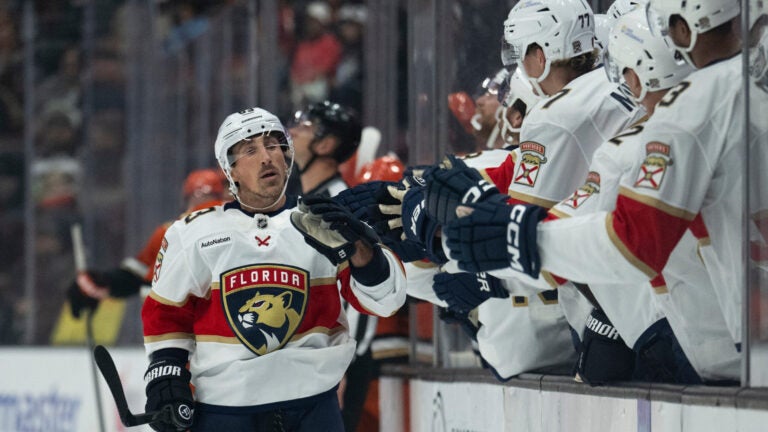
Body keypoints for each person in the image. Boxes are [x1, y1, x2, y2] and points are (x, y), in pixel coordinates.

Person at [443, 0, 746, 365]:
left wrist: (526, 240)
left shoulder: (689, 109)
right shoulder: (745, 82)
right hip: (729, 328)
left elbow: (634, 242)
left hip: (711, 339)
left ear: (684, 30)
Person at [140, 106, 406, 431]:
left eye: (274, 146)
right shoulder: (192, 232)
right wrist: (165, 373)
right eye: (250, 150)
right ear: (231, 170)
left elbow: (387, 300)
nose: (267, 157)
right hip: (225, 412)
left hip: (314, 406)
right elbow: (166, 314)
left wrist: (361, 248)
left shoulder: (325, 220)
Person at [66, 168, 228, 319]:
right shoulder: (170, 232)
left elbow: (136, 277)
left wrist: (97, 285)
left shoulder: (170, 231)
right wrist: (100, 283)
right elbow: (137, 275)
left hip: (182, 334)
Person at [288, 100, 361, 196]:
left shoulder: (335, 200)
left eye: (305, 127)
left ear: (325, 145)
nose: (291, 132)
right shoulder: (305, 194)